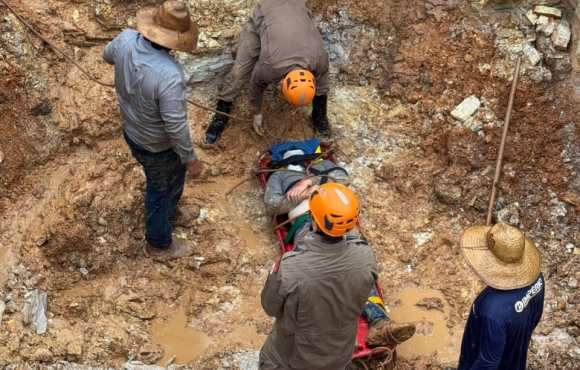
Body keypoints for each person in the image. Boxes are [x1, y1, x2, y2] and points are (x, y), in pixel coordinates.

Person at [260, 183, 415, 370]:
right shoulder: (365, 257)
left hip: (295, 358)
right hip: (340, 354)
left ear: (314, 221)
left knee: (271, 357)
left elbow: (270, 307)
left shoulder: (289, 268)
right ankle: (379, 320)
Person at [103, 1, 203, 258]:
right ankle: (158, 243)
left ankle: (170, 212)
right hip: (157, 145)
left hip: (133, 131)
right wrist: (190, 158)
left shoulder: (126, 39)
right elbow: (175, 126)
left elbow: (107, 55)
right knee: (159, 187)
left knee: (173, 176)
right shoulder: (169, 74)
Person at [204, 0, 332, 145]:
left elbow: (322, 85)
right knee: (238, 73)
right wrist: (256, 113)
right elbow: (255, 84)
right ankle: (222, 112)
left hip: (296, 7)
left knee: (320, 108)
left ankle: (319, 117)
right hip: (265, 13)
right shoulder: (270, 67)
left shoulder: (320, 60)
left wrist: (320, 113)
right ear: (282, 83)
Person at [457, 223, 544, 370]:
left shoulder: (491, 309)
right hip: (516, 353)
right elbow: (535, 316)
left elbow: (487, 363)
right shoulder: (537, 278)